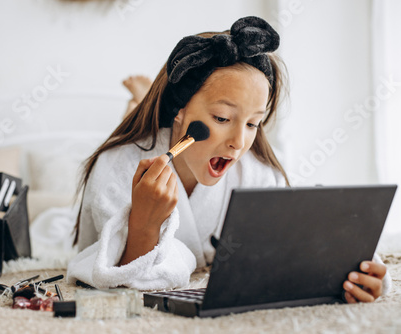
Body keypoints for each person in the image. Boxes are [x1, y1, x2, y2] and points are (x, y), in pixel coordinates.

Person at [67, 16, 391, 302]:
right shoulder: (117, 166)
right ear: (180, 110)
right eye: (222, 118)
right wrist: (143, 225)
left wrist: (352, 269)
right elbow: (114, 278)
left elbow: (293, 243)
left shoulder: (255, 172)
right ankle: (138, 98)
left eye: (253, 123)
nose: (238, 143)